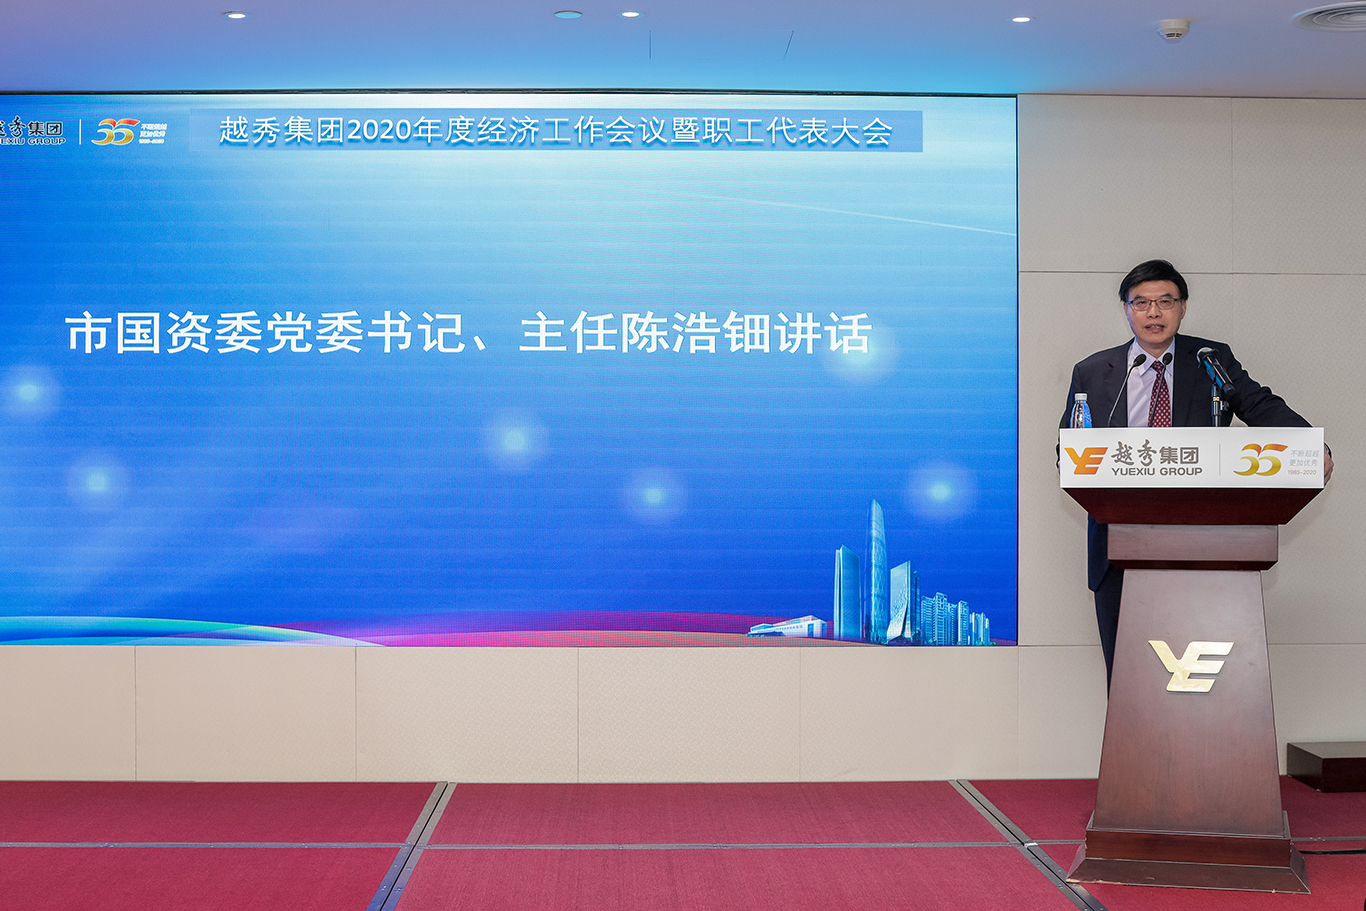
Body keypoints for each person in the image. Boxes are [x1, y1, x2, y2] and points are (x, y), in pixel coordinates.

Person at [1060, 259, 1332, 688]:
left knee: (1204, 686)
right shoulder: (1093, 371)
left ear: (1183, 307)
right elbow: (1070, 450)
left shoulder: (1210, 359)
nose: (1154, 312)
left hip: (1202, 542)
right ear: (1126, 309)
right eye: (1141, 303)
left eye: (1165, 301)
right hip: (1118, 547)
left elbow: (1259, 405)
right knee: (1130, 683)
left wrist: (1311, 446)